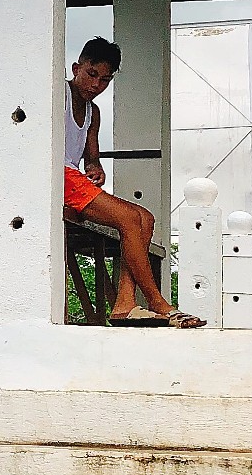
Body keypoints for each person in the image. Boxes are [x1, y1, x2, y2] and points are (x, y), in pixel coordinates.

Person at [62, 37, 202, 327]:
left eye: (105, 80)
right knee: (128, 218)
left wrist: (95, 169)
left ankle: (125, 303)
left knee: (145, 218)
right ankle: (158, 301)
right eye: (91, 75)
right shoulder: (57, 95)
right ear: (77, 68)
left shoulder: (93, 112)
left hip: (74, 179)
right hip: (56, 178)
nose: (96, 85)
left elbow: (91, 159)